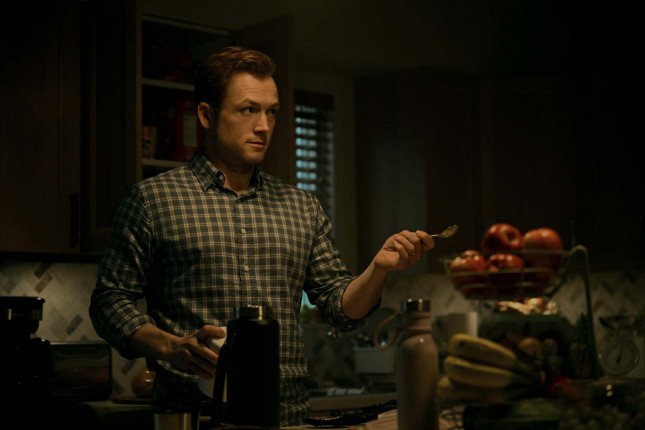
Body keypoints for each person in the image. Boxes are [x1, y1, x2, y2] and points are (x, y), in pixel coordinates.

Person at [89, 45, 435, 427]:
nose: (264, 126)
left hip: (286, 418)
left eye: (271, 112)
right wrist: (172, 347)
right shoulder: (153, 200)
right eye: (248, 110)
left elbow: (341, 310)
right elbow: (109, 302)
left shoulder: (301, 206)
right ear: (206, 115)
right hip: (193, 417)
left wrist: (379, 268)